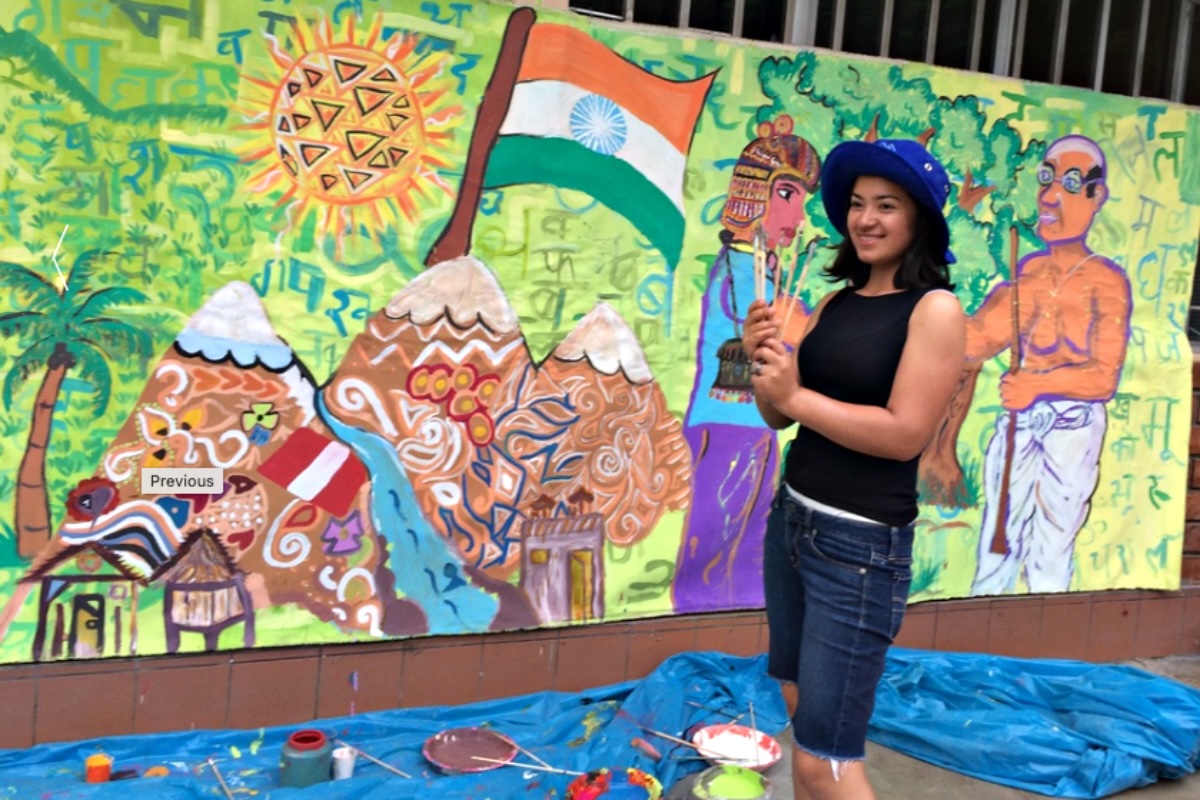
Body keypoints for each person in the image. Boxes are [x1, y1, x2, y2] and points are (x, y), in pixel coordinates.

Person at [742, 138, 965, 800]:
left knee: (826, 761)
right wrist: (763, 365)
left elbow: (904, 435)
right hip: (794, 526)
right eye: (858, 204)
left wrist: (795, 395)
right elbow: (780, 418)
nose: (867, 219)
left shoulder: (935, 310)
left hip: (858, 550)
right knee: (800, 717)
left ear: (919, 218)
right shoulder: (838, 304)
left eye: (887, 206)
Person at [961, 135, 1131, 595]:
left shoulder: (1106, 280)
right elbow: (974, 340)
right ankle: (979, 645)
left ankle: (1038, 652)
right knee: (995, 555)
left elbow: (1104, 376)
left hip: (1071, 431)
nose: (1051, 195)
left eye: (1071, 183)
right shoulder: (1027, 272)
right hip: (1016, 427)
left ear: (1097, 197)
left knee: (1050, 554)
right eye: (1046, 178)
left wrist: (1037, 385)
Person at [673, 116, 820, 613]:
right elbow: (780, 328)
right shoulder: (742, 270)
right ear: (752, 195)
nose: (797, 216)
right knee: (716, 548)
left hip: (757, 428)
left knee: (752, 549)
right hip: (726, 428)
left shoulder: (768, 272)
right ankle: (704, 628)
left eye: (801, 200)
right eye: (786, 196)